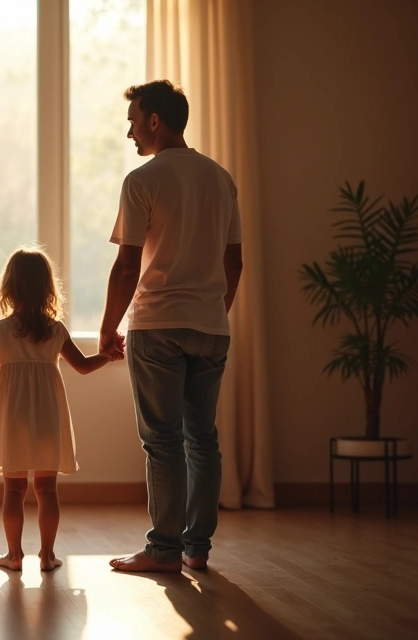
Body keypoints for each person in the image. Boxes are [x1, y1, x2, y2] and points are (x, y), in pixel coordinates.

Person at [99, 80, 244, 573]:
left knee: (162, 440)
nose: (130, 133)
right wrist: (213, 311)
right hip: (211, 326)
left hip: (157, 324)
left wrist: (107, 329)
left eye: (133, 122)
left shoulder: (143, 180)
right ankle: (196, 548)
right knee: (202, 439)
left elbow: (127, 267)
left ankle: (163, 551)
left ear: (154, 121)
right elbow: (234, 263)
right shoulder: (221, 178)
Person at [0, 248, 112, 572]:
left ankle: (14, 555)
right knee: (47, 489)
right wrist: (108, 355)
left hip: (12, 417)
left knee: (13, 490)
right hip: (48, 415)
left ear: (8, 288)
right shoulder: (55, 330)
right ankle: (47, 555)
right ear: (48, 288)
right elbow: (83, 366)